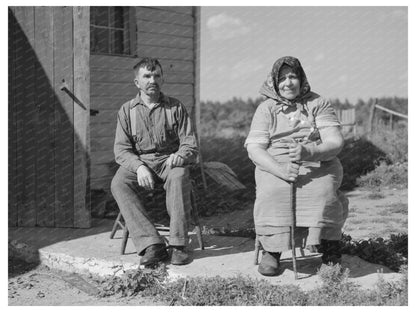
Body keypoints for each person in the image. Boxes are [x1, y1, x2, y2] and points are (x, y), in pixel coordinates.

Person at [245, 56, 349, 276]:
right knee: (273, 191)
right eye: (282, 78)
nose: (288, 83)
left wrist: (310, 151)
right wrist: (280, 169)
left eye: (293, 76)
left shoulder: (318, 103)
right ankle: (272, 250)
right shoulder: (266, 108)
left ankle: (329, 247)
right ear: (274, 81)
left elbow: (335, 141)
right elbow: (255, 148)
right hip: (276, 162)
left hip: (317, 160)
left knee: (323, 191)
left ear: (302, 79)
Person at [111, 57, 198, 266]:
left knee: (179, 176)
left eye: (157, 75)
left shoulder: (175, 107)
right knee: (119, 183)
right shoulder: (127, 110)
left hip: (169, 162)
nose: (152, 80)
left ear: (162, 79)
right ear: (137, 83)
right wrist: (139, 166)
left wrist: (181, 155)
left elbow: (190, 144)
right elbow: (121, 150)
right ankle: (153, 244)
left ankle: (177, 245)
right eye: (147, 76)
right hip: (140, 162)